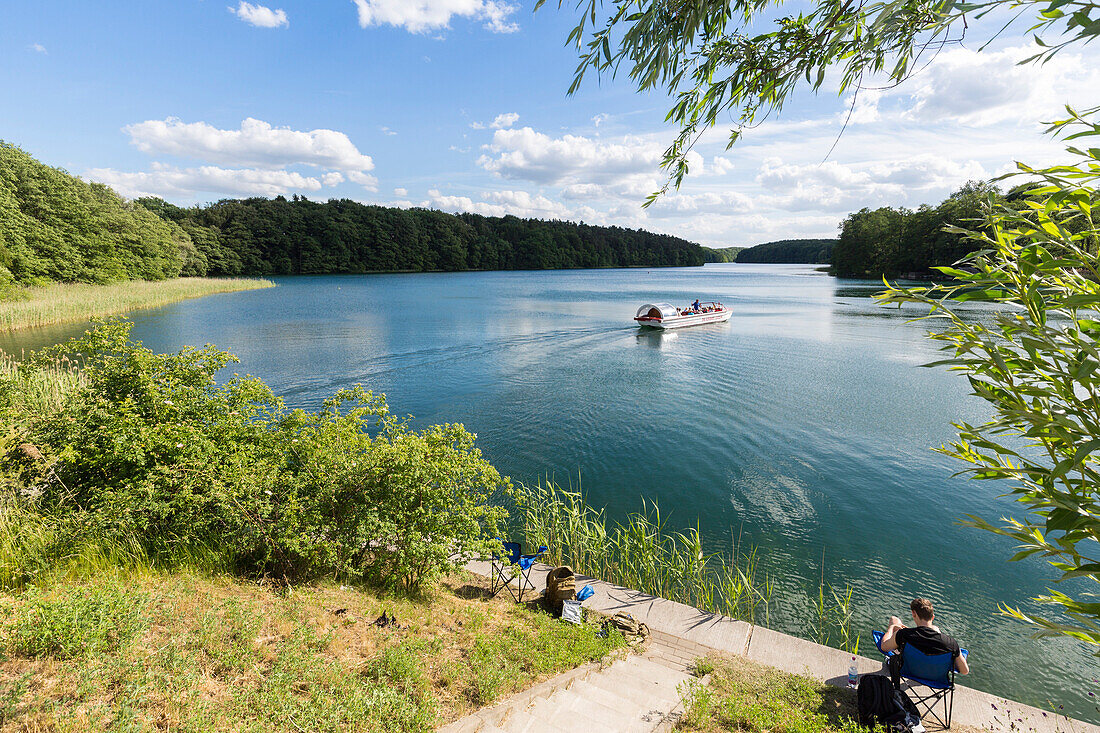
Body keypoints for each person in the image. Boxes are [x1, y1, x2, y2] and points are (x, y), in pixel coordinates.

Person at [880, 597, 969, 677]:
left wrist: (891, 628)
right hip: (935, 678)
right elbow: (965, 671)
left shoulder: (903, 634)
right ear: (933, 617)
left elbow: (884, 647)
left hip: (907, 671)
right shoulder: (951, 643)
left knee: (894, 620)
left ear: (914, 614)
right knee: (935, 628)